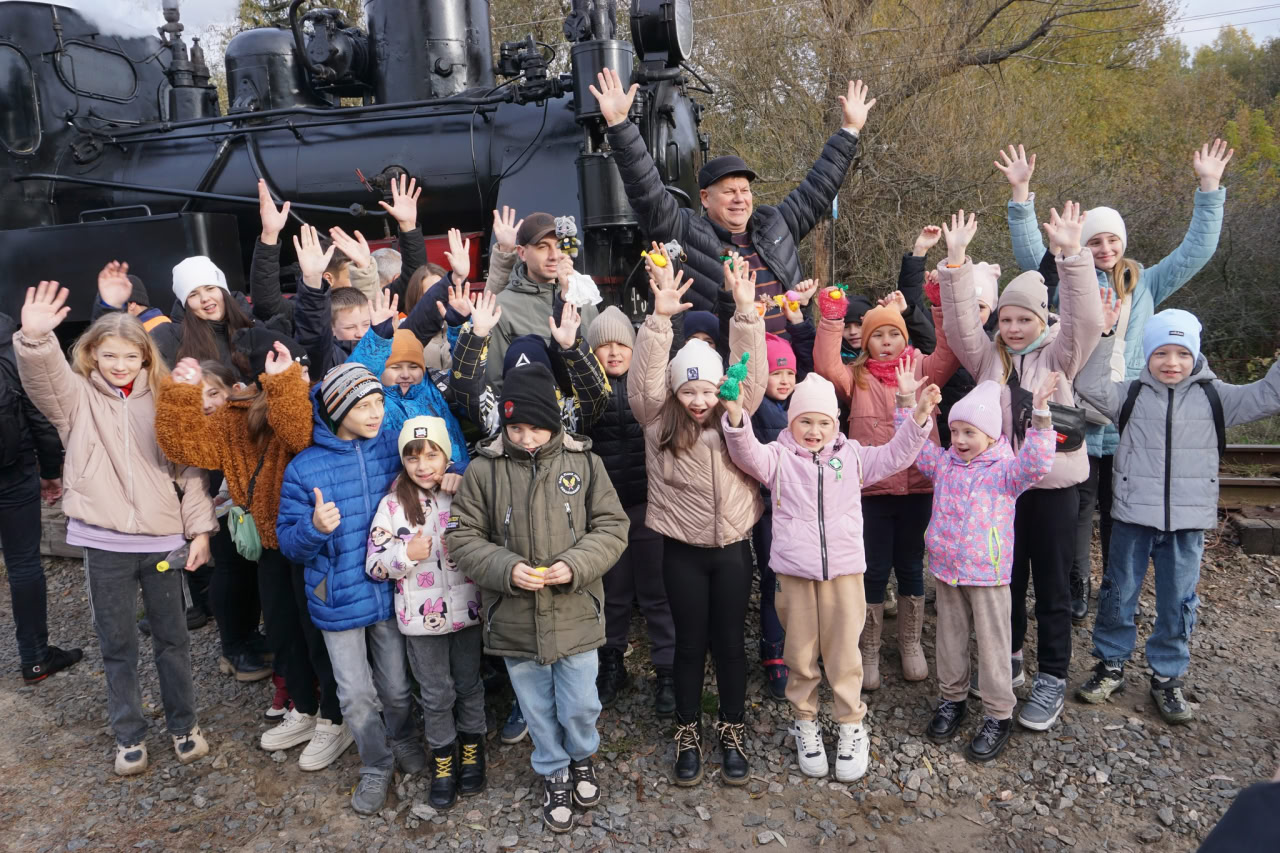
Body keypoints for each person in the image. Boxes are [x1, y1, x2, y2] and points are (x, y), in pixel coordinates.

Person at [996, 140, 1232, 624]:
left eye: (1111, 241)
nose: (1103, 249)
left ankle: (1114, 590)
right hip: (1075, 406)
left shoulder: (1145, 282)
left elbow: (1196, 251)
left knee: (1120, 509)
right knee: (1078, 504)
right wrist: (1021, 196)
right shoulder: (1068, 275)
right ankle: (1077, 582)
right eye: (1095, 241)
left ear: (1122, 243)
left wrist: (1210, 187)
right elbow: (1032, 255)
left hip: (1130, 411)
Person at [14, 283, 215, 775]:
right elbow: (45, 381)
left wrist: (201, 532)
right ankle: (128, 735)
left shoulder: (168, 400)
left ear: (147, 358)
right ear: (91, 356)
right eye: (109, 356)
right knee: (117, 643)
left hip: (164, 543)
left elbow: (189, 471)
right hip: (104, 545)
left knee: (173, 639)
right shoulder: (76, 402)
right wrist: (35, 339)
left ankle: (183, 725)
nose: (120, 365)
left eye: (131, 356)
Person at [722, 367, 935, 781]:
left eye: (823, 422)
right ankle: (806, 721)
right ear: (791, 422)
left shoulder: (853, 457)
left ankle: (851, 723)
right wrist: (735, 417)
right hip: (795, 575)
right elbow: (745, 452)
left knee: (844, 653)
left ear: (835, 424)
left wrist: (918, 416)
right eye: (805, 421)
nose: (814, 430)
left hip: (844, 574)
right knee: (799, 654)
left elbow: (896, 454)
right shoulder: (778, 457)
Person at [938, 205, 1104, 732]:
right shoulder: (988, 358)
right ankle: (1007, 659)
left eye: (1023, 319)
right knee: (1005, 580)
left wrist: (1074, 256)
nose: (1012, 328)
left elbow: (1086, 319)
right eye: (1006, 318)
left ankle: (1052, 675)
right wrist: (958, 261)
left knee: (1052, 585)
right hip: (1001, 494)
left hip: (1052, 489)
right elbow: (961, 322)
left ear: (1041, 319)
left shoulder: (1061, 355)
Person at [156, 331, 355, 771]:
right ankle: (302, 707)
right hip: (268, 543)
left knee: (315, 632)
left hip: (310, 539)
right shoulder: (232, 416)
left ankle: (335, 718)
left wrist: (285, 384)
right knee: (283, 630)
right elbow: (185, 447)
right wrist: (178, 396)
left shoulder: (308, 401)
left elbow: (300, 435)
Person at [445, 362, 629, 834]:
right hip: (514, 616)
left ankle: (583, 755)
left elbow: (612, 527)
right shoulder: (484, 470)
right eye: (516, 428)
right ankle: (553, 768)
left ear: (555, 423)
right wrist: (506, 569)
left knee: (580, 699)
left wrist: (578, 564)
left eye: (536, 428)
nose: (527, 438)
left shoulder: (584, 464)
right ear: (504, 425)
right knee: (535, 704)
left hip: (576, 613)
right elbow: (462, 537)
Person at [1074, 309, 1280, 723]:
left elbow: (1269, 395)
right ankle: (1110, 664)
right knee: (1118, 595)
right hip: (1133, 518)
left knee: (1178, 602)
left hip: (1187, 525)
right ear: (1147, 354)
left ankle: (1167, 677)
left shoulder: (1216, 396)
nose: (1172, 362)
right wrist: (1108, 333)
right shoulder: (1129, 394)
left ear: (1196, 355)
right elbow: (1088, 385)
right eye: (1162, 352)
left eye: (1182, 353)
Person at [591, 67, 876, 329]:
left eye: (745, 190)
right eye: (729, 192)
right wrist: (620, 125)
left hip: (788, 367)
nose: (740, 199)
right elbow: (646, 189)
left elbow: (820, 186)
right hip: (726, 370)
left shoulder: (777, 224)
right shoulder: (684, 231)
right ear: (705, 198)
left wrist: (849, 130)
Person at [629, 249, 766, 787]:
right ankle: (688, 732)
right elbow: (644, 383)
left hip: (732, 550)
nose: (699, 400)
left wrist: (746, 313)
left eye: (707, 390)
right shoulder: (658, 421)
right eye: (689, 391)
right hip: (681, 550)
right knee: (689, 646)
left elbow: (749, 376)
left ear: (721, 388)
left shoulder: (734, 412)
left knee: (731, 645)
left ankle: (731, 729)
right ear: (675, 391)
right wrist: (659, 319)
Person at [276, 362, 429, 814]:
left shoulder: (391, 446)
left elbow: (430, 458)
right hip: (337, 597)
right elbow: (288, 542)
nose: (376, 413)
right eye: (364, 406)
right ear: (338, 409)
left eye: (379, 402)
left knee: (399, 687)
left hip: (386, 589)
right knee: (356, 695)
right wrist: (313, 526)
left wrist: (454, 469)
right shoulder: (305, 468)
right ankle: (375, 762)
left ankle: (402, 738)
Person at [814, 273, 961, 691]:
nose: (886, 343)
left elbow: (949, 351)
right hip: (871, 492)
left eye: (893, 335)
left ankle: (911, 644)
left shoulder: (923, 370)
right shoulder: (854, 378)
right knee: (874, 569)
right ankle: (871, 648)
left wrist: (938, 305)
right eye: (877, 336)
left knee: (912, 565)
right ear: (866, 341)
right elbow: (825, 363)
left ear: (903, 338)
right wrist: (831, 318)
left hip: (919, 489)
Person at [913, 377, 1057, 762]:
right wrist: (907, 408)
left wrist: (1041, 414)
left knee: (994, 649)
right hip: (947, 569)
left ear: (992, 436)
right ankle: (952, 698)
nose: (959, 439)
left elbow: (1040, 462)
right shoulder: (944, 463)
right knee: (949, 639)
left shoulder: (1007, 471)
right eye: (955, 431)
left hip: (988, 574)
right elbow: (915, 449)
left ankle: (998, 714)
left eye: (969, 432)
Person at [367, 416, 486, 810]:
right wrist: (406, 555)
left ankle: (472, 748)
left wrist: (463, 477)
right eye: (413, 457)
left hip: (467, 612)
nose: (423, 465)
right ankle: (443, 759)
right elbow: (375, 564)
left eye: (432, 454)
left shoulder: (462, 494)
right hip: (421, 621)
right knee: (436, 693)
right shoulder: (391, 505)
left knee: (469, 684)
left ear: (446, 456)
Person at [584, 305, 676, 715]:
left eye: (622, 344)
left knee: (658, 593)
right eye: (604, 346)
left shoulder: (650, 388)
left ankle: (668, 671)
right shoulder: (586, 392)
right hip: (606, 514)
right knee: (614, 594)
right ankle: (611, 662)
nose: (614, 353)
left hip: (649, 505)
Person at [0, 311, 79, 684]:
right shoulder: (6, 333)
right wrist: (51, 471)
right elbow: (35, 408)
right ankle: (34, 659)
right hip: (12, 472)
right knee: (23, 564)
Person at [485, 212, 600, 391]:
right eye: (542, 247)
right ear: (522, 253)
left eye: (559, 245)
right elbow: (494, 384)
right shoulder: (502, 307)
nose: (554, 255)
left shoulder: (584, 299)